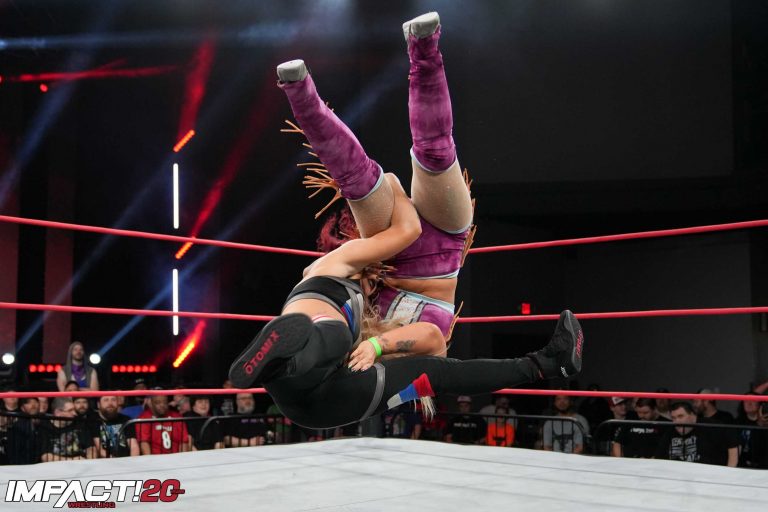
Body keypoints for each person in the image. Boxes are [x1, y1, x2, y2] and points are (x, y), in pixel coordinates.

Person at [228, 148, 584, 430]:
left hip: (327, 401)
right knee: (330, 333)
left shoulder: (370, 322)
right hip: (306, 377)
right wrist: (393, 184)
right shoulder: (337, 263)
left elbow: (434, 343)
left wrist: (377, 345)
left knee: (436, 373)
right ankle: (286, 360)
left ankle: (549, 363)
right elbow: (409, 231)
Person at [278, 11, 474, 349]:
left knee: (357, 179)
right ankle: (424, 46)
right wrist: (377, 347)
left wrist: (395, 196)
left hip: (391, 249)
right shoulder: (422, 349)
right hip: (444, 240)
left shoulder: (355, 343)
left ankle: (299, 92)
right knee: (436, 153)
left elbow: (324, 285)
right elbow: (430, 335)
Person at [654, 401, 738, 467]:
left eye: (680, 416)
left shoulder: (710, 426)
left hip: (707, 475)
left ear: (692, 415)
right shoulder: (670, 431)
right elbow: (658, 456)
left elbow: (733, 445)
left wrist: (729, 472)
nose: (676, 421)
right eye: (673, 418)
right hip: (676, 476)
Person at [7, 397, 41, 465]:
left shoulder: (45, 423)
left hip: (41, 464)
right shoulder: (17, 426)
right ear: (22, 408)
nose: (33, 405)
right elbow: (14, 451)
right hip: (23, 464)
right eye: (28, 403)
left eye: (35, 402)